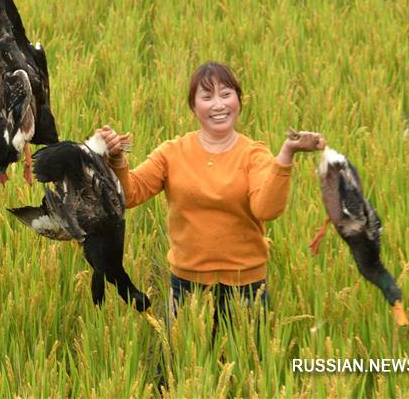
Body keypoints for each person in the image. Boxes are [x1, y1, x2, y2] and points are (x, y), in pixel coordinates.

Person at [97, 63, 325, 334]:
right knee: (180, 368)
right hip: (187, 286)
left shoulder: (254, 154)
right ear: (194, 108)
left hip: (246, 288)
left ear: (239, 101)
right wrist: (116, 159)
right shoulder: (172, 153)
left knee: (246, 371)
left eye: (226, 94)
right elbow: (129, 194)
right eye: (207, 97)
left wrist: (286, 154)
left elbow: (266, 209)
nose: (219, 105)